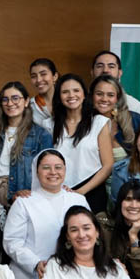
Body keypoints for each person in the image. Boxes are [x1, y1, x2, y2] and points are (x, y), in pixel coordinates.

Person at [3, 149, 90, 279]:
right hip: (32, 276)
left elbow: (90, 237)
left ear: (65, 170)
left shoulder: (78, 200)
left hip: (72, 273)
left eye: (58, 167)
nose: (53, 172)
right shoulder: (23, 202)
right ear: (36, 171)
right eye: (46, 167)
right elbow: (11, 242)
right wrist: (36, 263)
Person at [0, 81, 51, 205]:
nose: (10, 103)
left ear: (26, 101)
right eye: (5, 99)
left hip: (23, 199)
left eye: (15, 98)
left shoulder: (41, 135)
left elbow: (47, 171)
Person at [50, 74, 113, 213]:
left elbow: (108, 165)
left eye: (76, 90)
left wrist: (80, 192)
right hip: (57, 192)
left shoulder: (98, 122)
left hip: (92, 192)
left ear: (84, 95)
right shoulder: (49, 125)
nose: (71, 95)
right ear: (59, 97)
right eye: (65, 92)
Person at [90, 74, 140, 159]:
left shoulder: (134, 119)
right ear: (92, 96)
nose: (104, 99)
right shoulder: (83, 121)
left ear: (117, 98)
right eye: (99, 94)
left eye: (110, 95)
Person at [91, 50, 140, 118]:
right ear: (92, 72)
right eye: (100, 66)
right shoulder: (81, 103)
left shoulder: (133, 105)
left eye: (111, 66)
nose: (105, 70)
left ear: (120, 73)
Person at [28, 58, 58, 133]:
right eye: (34, 76)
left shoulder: (67, 101)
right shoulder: (29, 107)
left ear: (55, 76)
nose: (38, 80)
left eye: (43, 74)